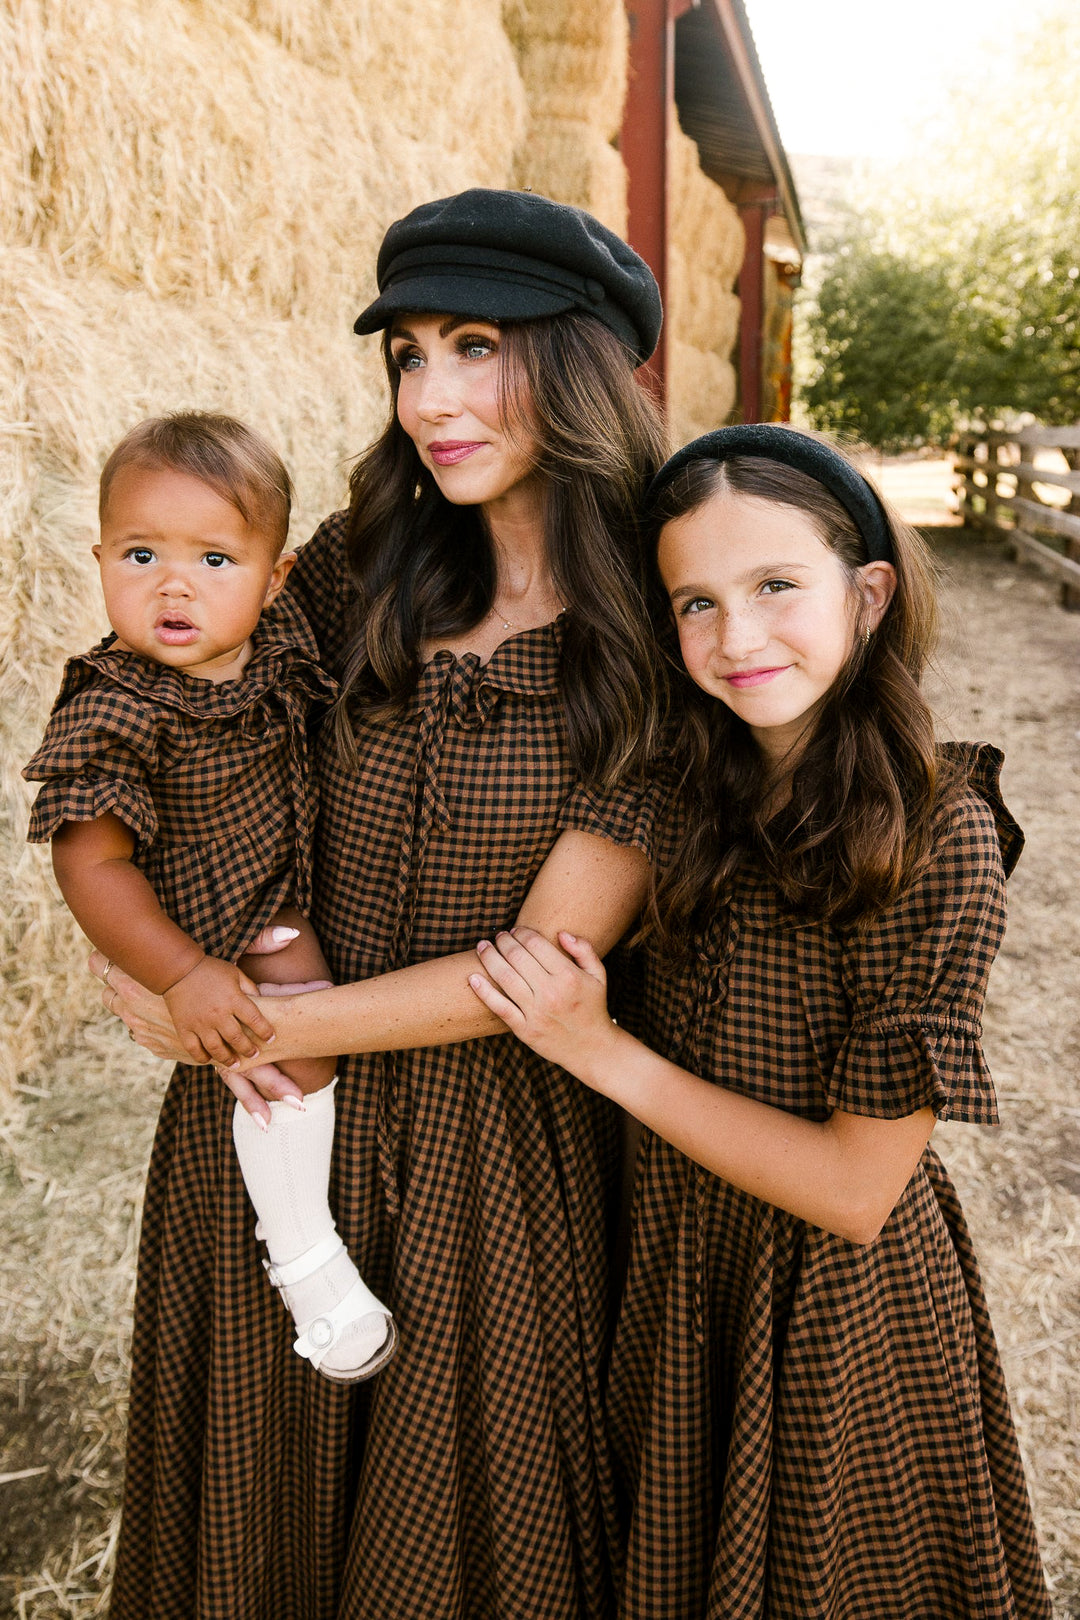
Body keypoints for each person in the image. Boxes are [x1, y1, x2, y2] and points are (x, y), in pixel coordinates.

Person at [95, 190, 670, 1619]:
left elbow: (548, 958)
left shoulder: (652, 632)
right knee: (248, 1533)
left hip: (490, 1163)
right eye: (408, 354)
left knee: (455, 1556)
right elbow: (161, 703)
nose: (431, 397)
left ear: (584, 361)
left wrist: (241, 1018)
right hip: (275, 1135)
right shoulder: (357, 565)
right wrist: (155, 953)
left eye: (476, 344)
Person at [469, 425, 1053, 1619]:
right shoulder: (682, 793)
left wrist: (601, 1053)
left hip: (830, 1310)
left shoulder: (938, 832)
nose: (737, 639)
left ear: (870, 592)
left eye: (777, 586)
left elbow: (855, 1186)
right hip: (672, 1274)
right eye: (696, 602)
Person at [24, 412, 395, 1383]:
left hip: (283, 886)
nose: (174, 583)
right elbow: (90, 865)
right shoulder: (114, 704)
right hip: (215, 924)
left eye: (215, 559)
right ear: (99, 557)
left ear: (274, 579)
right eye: (140, 553)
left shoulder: (276, 637)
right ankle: (303, 1252)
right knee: (296, 1045)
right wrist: (184, 973)